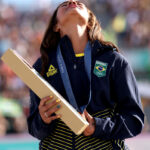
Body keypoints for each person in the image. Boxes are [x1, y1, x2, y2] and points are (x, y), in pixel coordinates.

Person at [27, 0, 144, 149]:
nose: (72, 1)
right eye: (64, 4)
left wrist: (98, 126)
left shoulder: (114, 60)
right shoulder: (43, 65)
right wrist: (43, 120)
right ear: (56, 26)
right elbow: (33, 128)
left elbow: (134, 120)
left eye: (79, 3)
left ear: (90, 21)